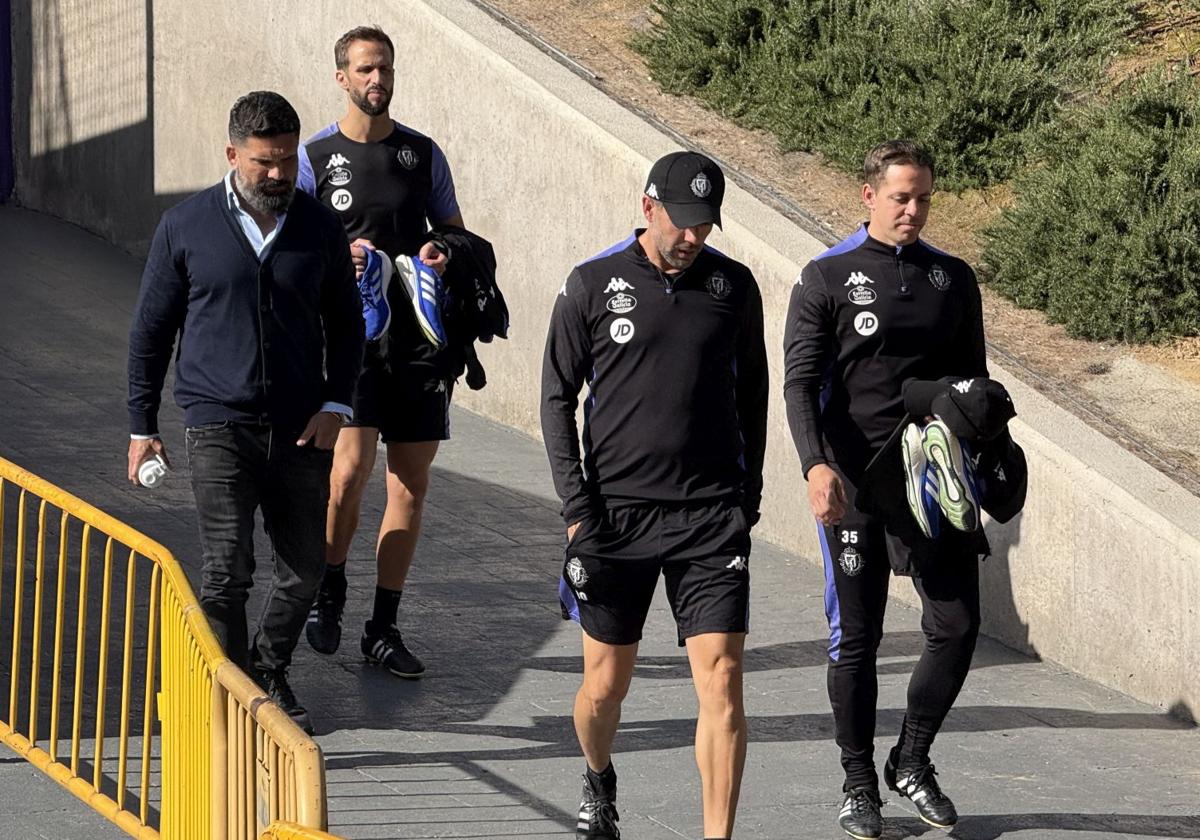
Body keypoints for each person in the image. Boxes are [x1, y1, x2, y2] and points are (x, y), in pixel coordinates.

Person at [541, 151, 768, 840]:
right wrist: (578, 511)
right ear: (648, 208)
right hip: (615, 518)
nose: (694, 237)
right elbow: (556, 398)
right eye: (683, 222)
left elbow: (753, 395)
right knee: (604, 688)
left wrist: (746, 498)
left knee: (723, 680)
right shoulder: (592, 283)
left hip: (708, 520)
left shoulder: (734, 287)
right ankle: (599, 774)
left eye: (706, 224)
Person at [127, 91, 364, 734]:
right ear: (233, 154)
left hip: (302, 427)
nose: (280, 174)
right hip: (216, 424)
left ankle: (267, 668)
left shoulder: (318, 227)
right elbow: (151, 331)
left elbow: (347, 327)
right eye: (265, 162)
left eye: (287, 160)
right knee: (225, 570)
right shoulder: (186, 225)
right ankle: (228, 696)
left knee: (307, 567)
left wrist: (336, 405)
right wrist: (141, 425)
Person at [782, 140, 989, 839]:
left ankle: (913, 757)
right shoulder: (827, 277)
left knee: (958, 624)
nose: (913, 209)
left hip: (933, 482)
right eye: (901, 196)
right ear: (868, 195)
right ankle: (858, 781)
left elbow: (973, 384)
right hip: (854, 485)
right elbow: (800, 384)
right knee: (858, 640)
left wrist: (988, 451)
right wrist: (815, 466)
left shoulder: (952, 279)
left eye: (924, 197)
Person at [297, 25, 464, 679]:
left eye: (385, 69)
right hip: (349, 341)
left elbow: (458, 236)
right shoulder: (315, 157)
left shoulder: (422, 156)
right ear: (342, 77)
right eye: (366, 70)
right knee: (347, 474)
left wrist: (440, 256)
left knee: (410, 485)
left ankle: (383, 628)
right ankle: (330, 586)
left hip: (418, 345)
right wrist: (341, 257)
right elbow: (289, 248)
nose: (378, 80)